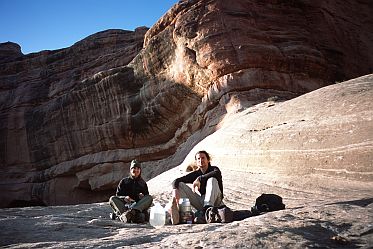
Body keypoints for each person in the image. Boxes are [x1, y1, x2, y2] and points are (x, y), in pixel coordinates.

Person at [170, 150, 224, 224]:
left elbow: (216, 173)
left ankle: (207, 210)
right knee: (180, 185)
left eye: (203, 158)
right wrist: (175, 189)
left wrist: (199, 179)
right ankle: (186, 214)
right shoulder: (196, 174)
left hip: (217, 201)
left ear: (208, 160)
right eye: (198, 158)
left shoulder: (214, 169)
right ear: (196, 162)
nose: (201, 160)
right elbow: (176, 180)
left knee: (212, 180)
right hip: (203, 201)